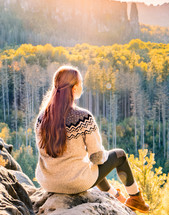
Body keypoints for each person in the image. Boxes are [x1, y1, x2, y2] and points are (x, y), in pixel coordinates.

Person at [34, 66, 150, 213]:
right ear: (74, 88)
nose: (82, 86)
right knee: (118, 155)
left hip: (48, 182)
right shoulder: (83, 118)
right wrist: (104, 156)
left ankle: (115, 195)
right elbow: (98, 157)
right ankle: (136, 198)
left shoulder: (42, 118)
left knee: (90, 167)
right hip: (74, 183)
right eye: (81, 83)